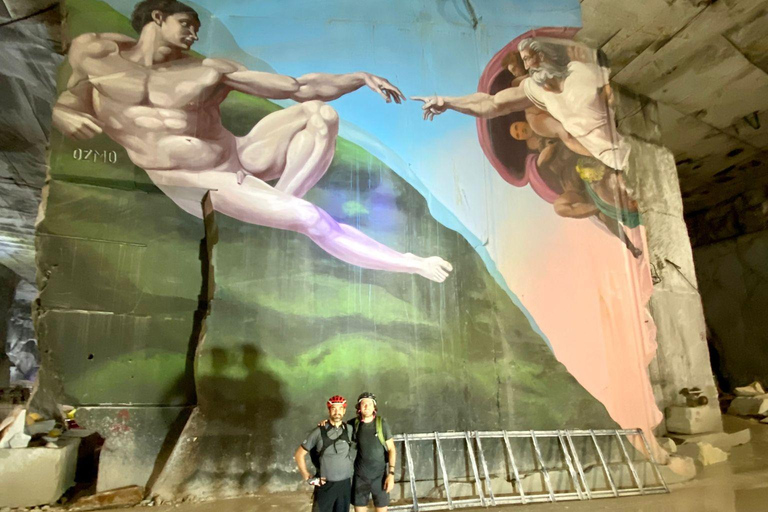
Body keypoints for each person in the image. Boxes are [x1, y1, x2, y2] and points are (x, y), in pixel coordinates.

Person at [52, 0, 453, 283]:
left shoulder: (208, 71)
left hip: (237, 156)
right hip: (196, 180)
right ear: (157, 17)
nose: (194, 33)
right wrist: (64, 113)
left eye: (197, 27)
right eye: (186, 23)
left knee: (319, 113)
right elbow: (73, 95)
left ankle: (283, 202)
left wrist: (359, 77)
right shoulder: (96, 52)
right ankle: (410, 262)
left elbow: (297, 87)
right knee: (313, 219)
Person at [412, 37, 628, 171]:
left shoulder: (581, 72)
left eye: (531, 57)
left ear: (544, 55)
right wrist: (448, 102)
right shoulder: (534, 89)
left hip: (629, 144)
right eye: (524, 60)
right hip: (614, 159)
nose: (528, 65)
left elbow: (617, 90)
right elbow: (492, 104)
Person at [295, 395, 356, 512]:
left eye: (340, 408)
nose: (337, 412)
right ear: (329, 410)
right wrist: (307, 477)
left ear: (344, 411)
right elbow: (299, 455)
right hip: (325, 485)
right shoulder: (318, 432)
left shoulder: (350, 429)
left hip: (345, 485)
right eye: (333, 408)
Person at [351, 392, 396, 512]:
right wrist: (324, 424)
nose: (366, 406)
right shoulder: (353, 425)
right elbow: (336, 425)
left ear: (374, 407)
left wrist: (391, 474)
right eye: (363, 404)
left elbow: (391, 449)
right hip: (360, 478)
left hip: (380, 478)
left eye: (369, 404)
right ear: (359, 407)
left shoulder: (382, 424)